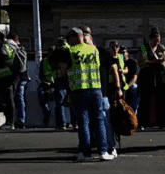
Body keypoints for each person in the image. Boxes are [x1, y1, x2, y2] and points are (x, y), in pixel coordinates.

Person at [58, 27, 112, 162]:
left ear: (74, 38)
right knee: (99, 121)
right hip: (96, 89)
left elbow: (62, 72)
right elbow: (97, 66)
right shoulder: (94, 50)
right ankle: (103, 151)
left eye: (69, 39)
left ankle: (86, 153)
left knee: (83, 123)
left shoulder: (69, 51)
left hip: (79, 90)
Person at [95, 36, 123, 157]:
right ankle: (98, 145)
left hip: (107, 91)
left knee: (107, 120)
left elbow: (115, 70)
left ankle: (111, 146)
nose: (115, 49)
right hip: (94, 91)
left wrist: (118, 87)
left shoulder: (105, 54)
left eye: (116, 46)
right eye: (112, 47)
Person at [138, 28, 165, 129]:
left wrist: (163, 60)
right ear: (151, 39)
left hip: (160, 75)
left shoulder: (161, 47)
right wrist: (151, 62)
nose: (157, 43)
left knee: (161, 100)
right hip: (147, 75)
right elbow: (140, 62)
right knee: (145, 100)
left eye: (158, 41)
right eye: (155, 41)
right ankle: (143, 123)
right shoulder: (144, 48)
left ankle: (162, 123)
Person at [0, 32, 18, 129]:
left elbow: (1, 62)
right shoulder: (10, 46)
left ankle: (10, 123)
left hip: (5, 77)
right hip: (10, 77)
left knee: (8, 100)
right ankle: (9, 122)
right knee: (8, 100)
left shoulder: (4, 47)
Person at [8, 33, 29, 129]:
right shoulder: (21, 49)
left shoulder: (20, 49)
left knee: (19, 98)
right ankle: (19, 120)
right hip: (21, 77)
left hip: (20, 77)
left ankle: (21, 120)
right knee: (19, 98)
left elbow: (21, 64)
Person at [122, 47, 140, 117]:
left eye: (124, 52)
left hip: (130, 84)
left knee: (135, 89)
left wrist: (127, 86)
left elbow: (134, 78)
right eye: (120, 53)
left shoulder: (132, 62)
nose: (122, 54)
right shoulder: (117, 62)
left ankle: (132, 113)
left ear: (127, 53)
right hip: (120, 85)